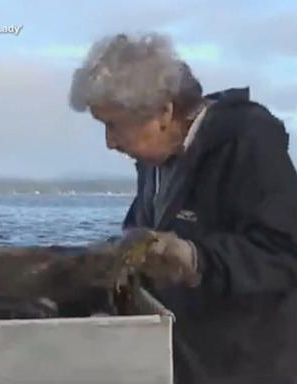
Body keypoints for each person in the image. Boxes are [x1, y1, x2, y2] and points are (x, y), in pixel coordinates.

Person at [69, 33, 297, 384]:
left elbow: (284, 254)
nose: (110, 142)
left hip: (247, 365)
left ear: (164, 111)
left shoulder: (248, 140)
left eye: (114, 125)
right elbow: (146, 230)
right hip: (184, 360)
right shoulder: (154, 158)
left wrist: (193, 257)